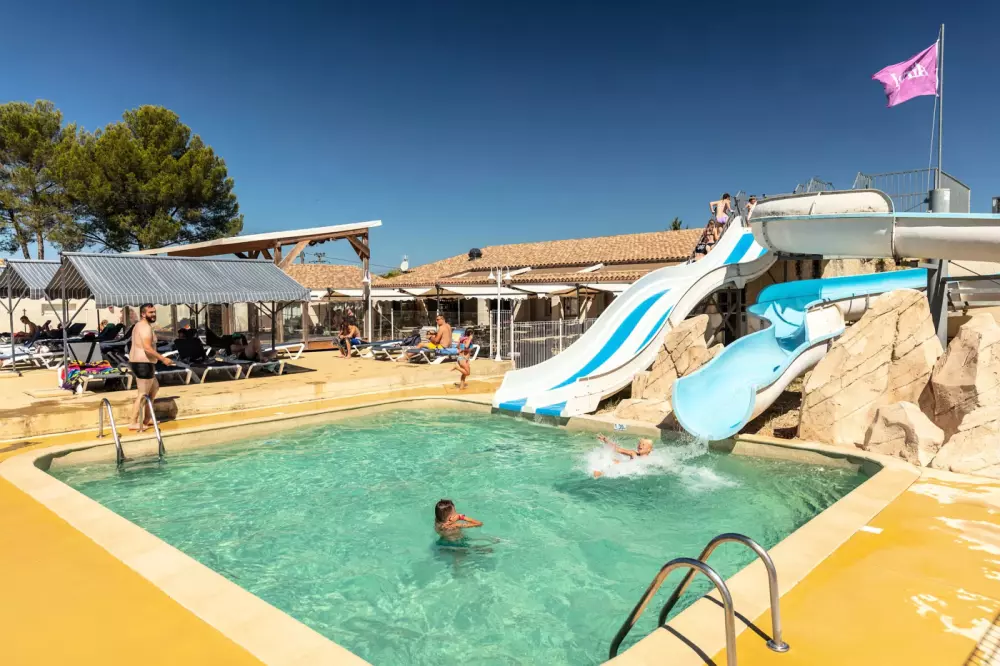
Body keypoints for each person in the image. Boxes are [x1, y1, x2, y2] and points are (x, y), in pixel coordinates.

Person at [128, 304, 174, 431]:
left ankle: (147, 418)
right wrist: (163, 359)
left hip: (144, 363)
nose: (153, 314)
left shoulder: (142, 326)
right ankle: (133, 422)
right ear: (143, 314)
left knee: (154, 388)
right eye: (150, 312)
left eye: (154, 312)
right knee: (143, 394)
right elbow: (147, 348)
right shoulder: (145, 327)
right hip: (143, 364)